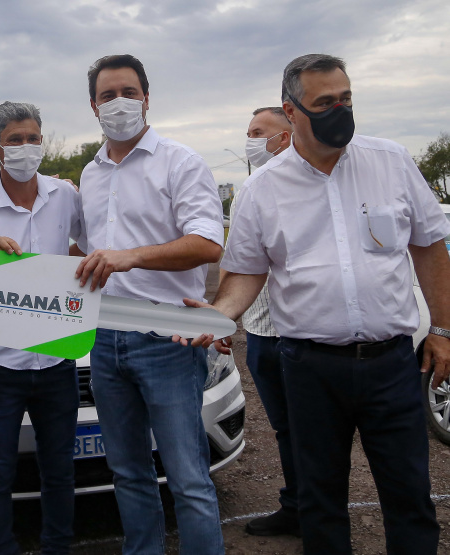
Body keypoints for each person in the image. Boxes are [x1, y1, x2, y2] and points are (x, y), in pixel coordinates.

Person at [181, 54, 450, 555]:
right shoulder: (262, 189)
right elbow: (245, 273)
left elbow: (430, 246)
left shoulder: (390, 161)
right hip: (309, 368)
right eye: (325, 102)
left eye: (346, 99)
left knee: (410, 495)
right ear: (293, 111)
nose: (340, 110)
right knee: (321, 502)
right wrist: (221, 313)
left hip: (391, 362)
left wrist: (444, 330)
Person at [74, 54, 225, 554]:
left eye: (129, 92)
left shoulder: (180, 161)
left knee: (187, 476)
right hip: (105, 340)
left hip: (167, 338)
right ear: (93, 106)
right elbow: (84, 251)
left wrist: (131, 257)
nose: (120, 103)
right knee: (128, 472)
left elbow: (207, 242)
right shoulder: (90, 174)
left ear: (146, 98)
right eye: (108, 95)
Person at [0, 101, 85, 554]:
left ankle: (58, 547)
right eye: (15, 140)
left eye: (33, 138)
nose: (27, 147)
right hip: (0, 366)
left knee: (59, 470)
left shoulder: (65, 195)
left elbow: (90, 248)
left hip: (57, 362)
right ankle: (0, 547)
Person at [230, 106, 300, 537]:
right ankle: (295, 506)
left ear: (286, 137)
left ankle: (322, 512)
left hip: (299, 333)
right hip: (260, 333)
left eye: (259, 132)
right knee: (283, 428)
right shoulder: (248, 191)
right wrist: (227, 322)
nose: (251, 140)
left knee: (313, 429)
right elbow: (239, 265)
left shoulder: (304, 188)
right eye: (249, 132)